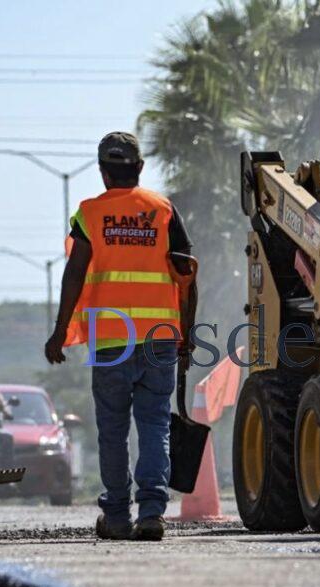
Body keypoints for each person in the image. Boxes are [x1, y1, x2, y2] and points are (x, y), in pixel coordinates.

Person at [43, 132, 196, 541]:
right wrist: (188, 334)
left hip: (111, 340)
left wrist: (59, 332)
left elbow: (74, 272)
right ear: (140, 168)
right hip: (161, 338)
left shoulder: (90, 214)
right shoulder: (162, 210)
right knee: (154, 424)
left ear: (102, 171)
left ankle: (115, 516)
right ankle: (150, 513)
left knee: (112, 428)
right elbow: (187, 274)